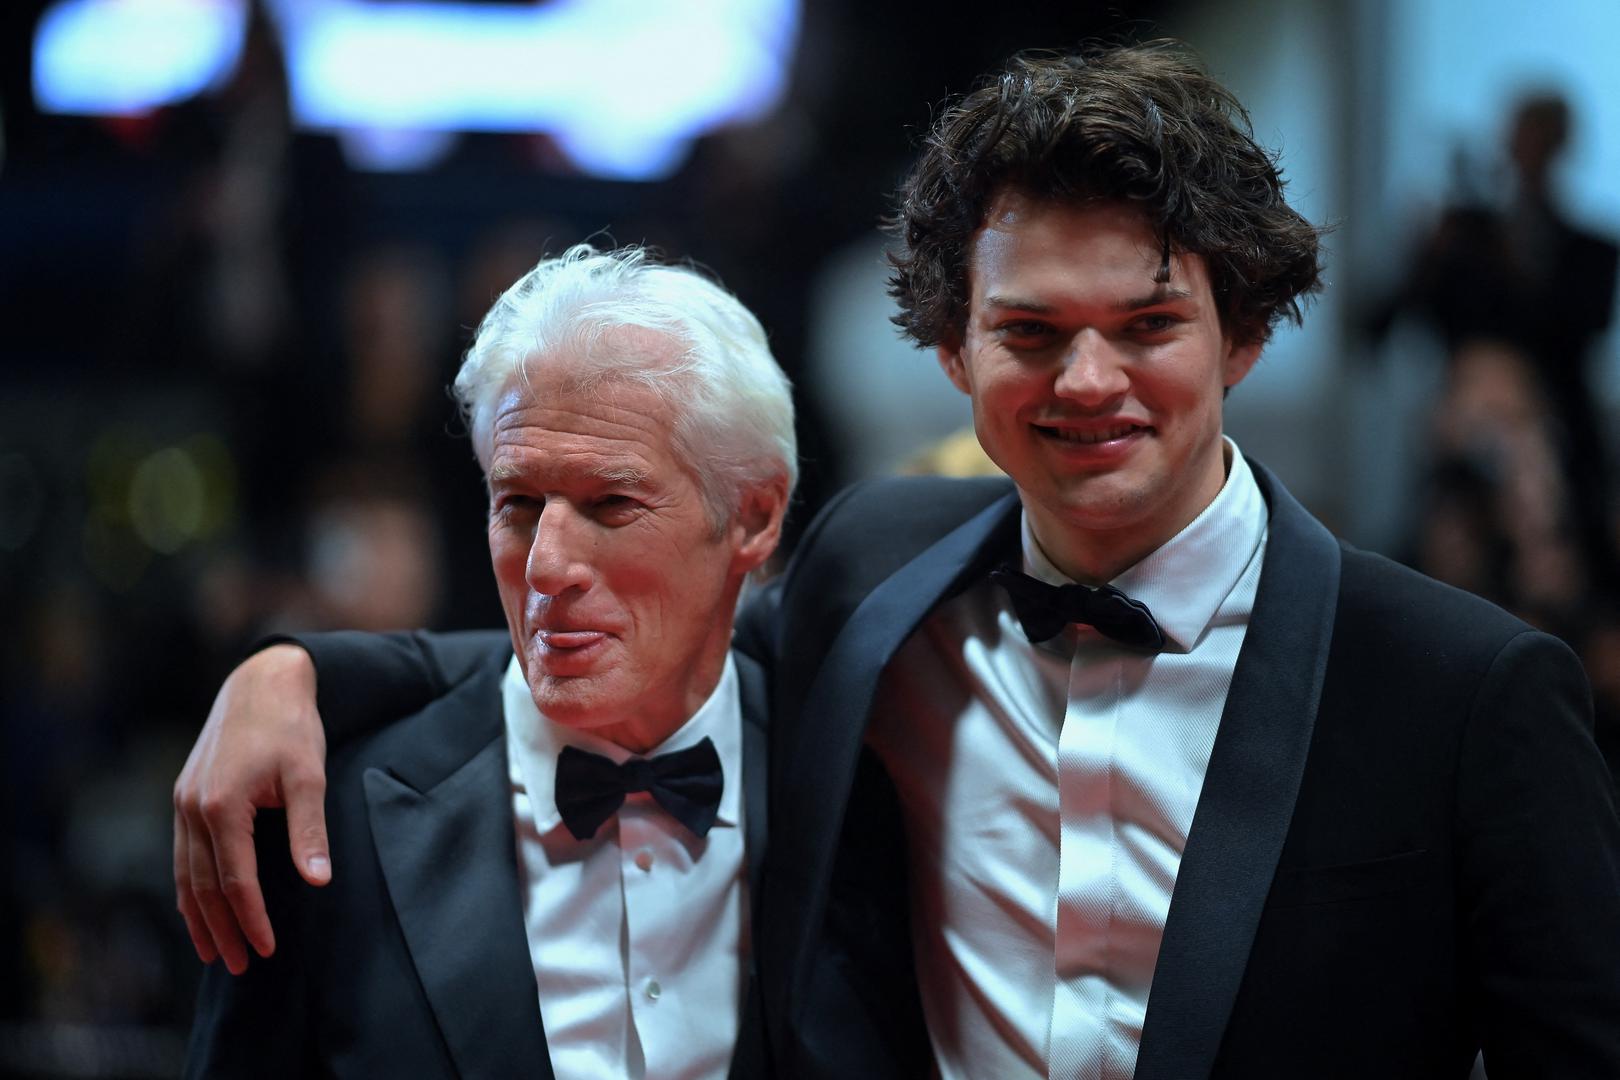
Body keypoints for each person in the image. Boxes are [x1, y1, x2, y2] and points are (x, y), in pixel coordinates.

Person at [176, 43, 1620, 1079]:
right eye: (1032, 332)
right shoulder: (878, 576)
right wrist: (297, 670)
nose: (1092, 379)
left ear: (1243, 334)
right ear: (951, 351)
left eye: (1149, 323)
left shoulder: (1468, 690)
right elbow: (630, 624)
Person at [180, 245, 794, 1078]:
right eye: (519, 504)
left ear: (754, 517)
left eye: (611, 503)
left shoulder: (848, 772)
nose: (546, 566)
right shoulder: (326, 823)